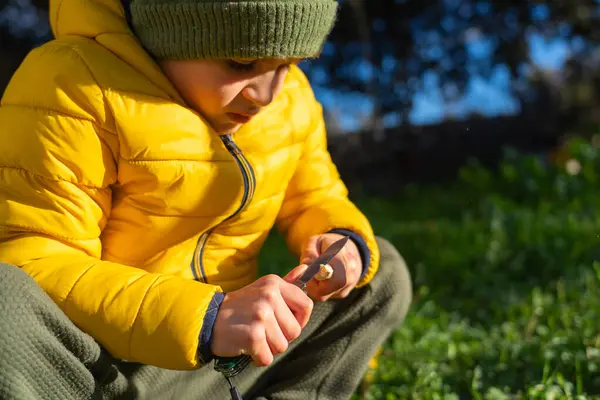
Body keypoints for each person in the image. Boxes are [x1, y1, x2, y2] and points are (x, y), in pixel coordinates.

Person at [0, 0, 412, 399]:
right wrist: (206, 317)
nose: (267, 94)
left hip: (213, 367)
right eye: (241, 63)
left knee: (379, 274)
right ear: (171, 33)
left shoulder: (290, 102)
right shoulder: (73, 85)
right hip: (89, 368)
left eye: (289, 63)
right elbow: (36, 258)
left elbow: (314, 196)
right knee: (6, 301)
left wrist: (336, 242)